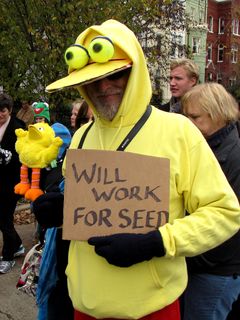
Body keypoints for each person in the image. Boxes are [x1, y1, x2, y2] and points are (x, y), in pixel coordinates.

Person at [35, 20, 240, 320]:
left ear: (136, 72)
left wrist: (158, 242)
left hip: (152, 308)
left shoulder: (179, 131)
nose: (104, 87)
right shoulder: (81, 137)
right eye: (94, 79)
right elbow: (91, 205)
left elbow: (225, 212)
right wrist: (63, 210)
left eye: (116, 74)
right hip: (84, 305)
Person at [181, 82, 240, 320]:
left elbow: (230, 223)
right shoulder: (211, 148)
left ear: (217, 115)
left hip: (215, 271)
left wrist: (191, 259)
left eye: (195, 117)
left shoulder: (232, 157)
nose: (188, 124)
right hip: (205, 265)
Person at [0, 93, 26, 274]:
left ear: (9, 110)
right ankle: (17, 245)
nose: (0, 115)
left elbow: (24, 156)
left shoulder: (19, 128)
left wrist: (8, 157)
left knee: (4, 218)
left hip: (12, 183)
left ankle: (8, 256)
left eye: (2, 111)